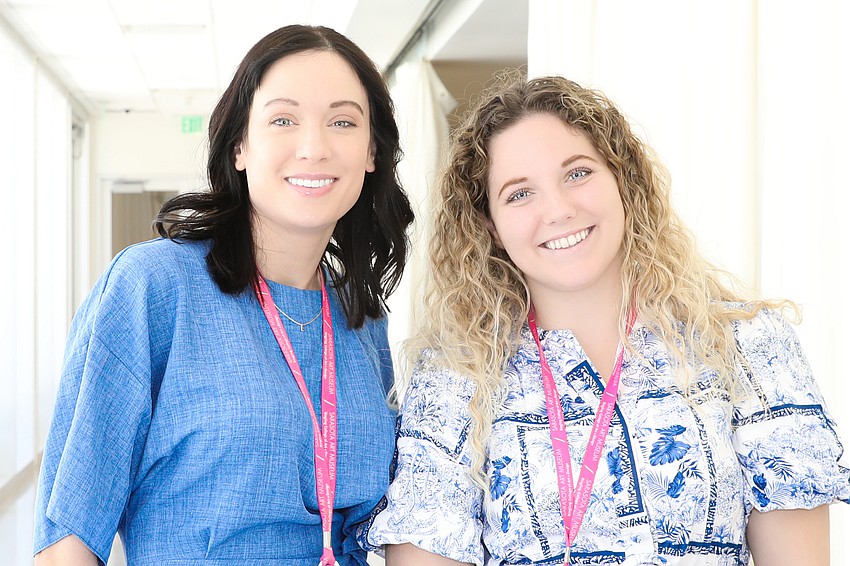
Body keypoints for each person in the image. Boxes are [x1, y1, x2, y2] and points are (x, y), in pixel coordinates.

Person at [362, 72, 849, 565]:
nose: (558, 210)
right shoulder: (454, 377)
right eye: (519, 194)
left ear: (623, 179)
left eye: (577, 173)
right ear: (488, 225)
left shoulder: (746, 343)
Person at [33, 24, 413, 566]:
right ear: (239, 146)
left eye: (343, 121)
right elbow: (67, 540)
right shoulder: (154, 287)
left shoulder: (361, 316)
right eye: (283, 119)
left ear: (372, 153)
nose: (314, 146)